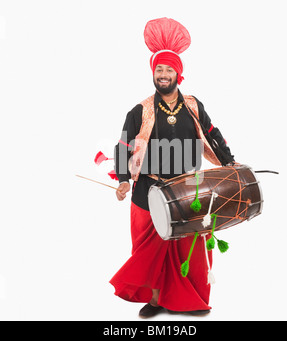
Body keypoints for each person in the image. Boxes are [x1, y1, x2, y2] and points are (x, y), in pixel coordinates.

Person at [110, 18, 234, 318]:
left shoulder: (192, 105)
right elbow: (124, 146)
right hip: (148, 190)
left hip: (189, 190)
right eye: (159, 70)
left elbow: (213, 134)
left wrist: (229, 164)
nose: (163, 75)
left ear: (179, 74)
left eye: (168, 70)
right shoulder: (140, 110)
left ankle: (192, 300)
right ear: (153, 74)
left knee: (190, 248)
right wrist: (124, 180)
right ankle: (155, 301)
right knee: (149, 251)